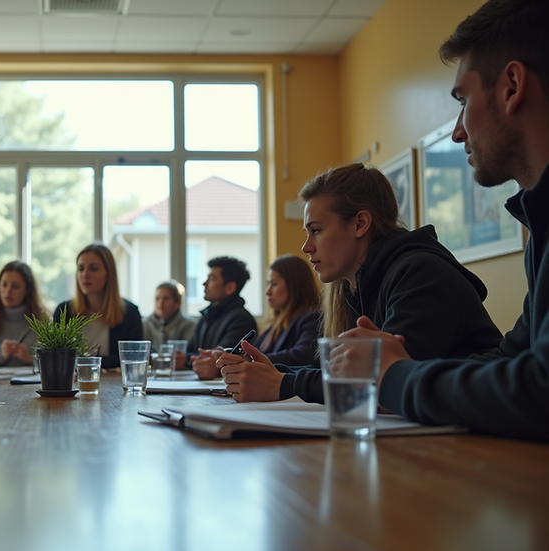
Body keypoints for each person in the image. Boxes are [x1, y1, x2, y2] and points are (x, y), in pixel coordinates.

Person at [338, 0, 549, 441]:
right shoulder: (541, 226)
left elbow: (538, 389)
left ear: (512, 86)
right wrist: (406, 371)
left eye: (463, 99)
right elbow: (513, 359)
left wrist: (395, 376)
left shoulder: (417, 269)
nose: (457, 131)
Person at [217, 164, 503, 404]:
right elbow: (336, 370)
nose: (306, 247)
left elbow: (378, 380)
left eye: (316, 230)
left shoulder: (420, 273)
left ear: (360, 224)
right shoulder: (352, 286)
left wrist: (281, 384)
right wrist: (268, 373)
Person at [193, 255, 320, 379]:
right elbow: (251, 353)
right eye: (267, 284)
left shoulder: (312, 318)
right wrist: (223, 354)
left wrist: (245, 361)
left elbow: (304, 355)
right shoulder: (274, 326)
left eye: (274, 284)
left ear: (294, 286)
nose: (267, 291)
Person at [54, 243, 143, 369]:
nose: (85, 275)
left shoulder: (130, 313)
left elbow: (133, 358)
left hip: (115, 385)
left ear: (108, 274)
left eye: (94, 268)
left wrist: (85, 361)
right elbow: (57, 357)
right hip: (72, 385)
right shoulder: (64, 312)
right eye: (80, 269)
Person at [181, 256, 257, 372]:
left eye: (211, 279)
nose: (204, 283)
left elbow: (223, 358)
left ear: (229, 287)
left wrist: (186, 361)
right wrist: (183, 358)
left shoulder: (242, 320)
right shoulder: (205, 316)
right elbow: (192, 351)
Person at [141, 280, 197, 349]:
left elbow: (187, 352)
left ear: (177, 303)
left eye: (166, 299)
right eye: (157, 298)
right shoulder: (144, 324)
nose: (160, 302)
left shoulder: (189, 326)